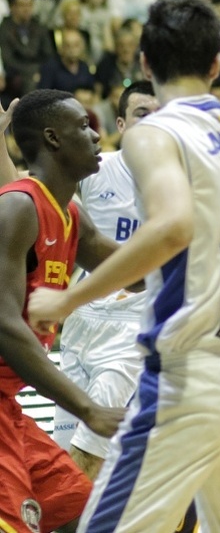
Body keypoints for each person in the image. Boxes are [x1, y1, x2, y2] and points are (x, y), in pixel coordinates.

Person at [27, 0, 220, 532]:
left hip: (187, 381)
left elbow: (172, 226)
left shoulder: (154, 133)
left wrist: (69, 298)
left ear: (145, 63)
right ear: (216, 65)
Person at [0, 89, 125, 533]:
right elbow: (6, 327)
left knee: (77, 511)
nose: (96, 136)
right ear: (53, 139)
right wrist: (87, 408)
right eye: (84, 126)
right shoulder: (17, 207)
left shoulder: (71, 214)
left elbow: (136, 270)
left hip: (6, 406)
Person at [52, 81, 158, 481]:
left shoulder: (186, 183)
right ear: (121, 123)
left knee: (86, 459)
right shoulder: (97, 168)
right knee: (66, 466)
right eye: (142, 115)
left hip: (136, 325)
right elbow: (30, 189)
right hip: (82, 318)